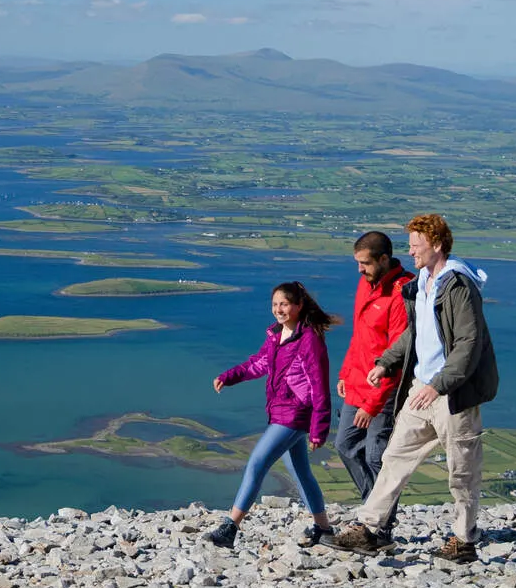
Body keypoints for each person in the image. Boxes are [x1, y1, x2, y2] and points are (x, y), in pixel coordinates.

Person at [327, 214, 499, 563]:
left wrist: (437, 386)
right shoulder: (423, 282)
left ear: (436, 245)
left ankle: (464, 540)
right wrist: (385, 362)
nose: (411, 252)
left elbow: (469, 343)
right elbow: (415, 334)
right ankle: (370, 529)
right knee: (394, 458)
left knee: (461, 471)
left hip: (452, 395)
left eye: (416, 246)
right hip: (422, 388)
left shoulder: (458, 287)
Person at [203, 281, 335, 550]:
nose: (278, 309)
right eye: (275, 304)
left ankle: (231, 527)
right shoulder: (276, 335)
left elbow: (320, 385)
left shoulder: (309, 339)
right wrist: (229, 377)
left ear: (298, 306)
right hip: (280, 410)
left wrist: (319, 427)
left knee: (257, 463)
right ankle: (323, 528)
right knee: (300, 472)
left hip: (295, 413)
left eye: (284, 304)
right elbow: (259, 363)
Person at [334, 231, 412, 530]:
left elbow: (397, 355)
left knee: (378, 456)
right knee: (345, 445)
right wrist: (345, 372)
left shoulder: (400, 292)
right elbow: (361, 336)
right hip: (358, 382)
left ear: (383, 259)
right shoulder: (366, 284)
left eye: (365, 263)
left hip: (383, 391)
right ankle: (375, 511)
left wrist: (373, 404)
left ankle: (378, 524)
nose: (359, 269)